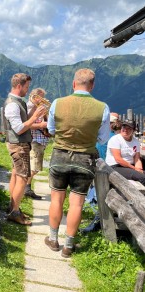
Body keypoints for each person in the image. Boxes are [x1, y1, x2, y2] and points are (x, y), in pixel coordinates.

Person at [45, 68, 110, 258]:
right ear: (92, 85)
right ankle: (68, 246)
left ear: (74, 84)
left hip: (59, 156)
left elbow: (50, 130)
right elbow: (103, 139)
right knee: (77, 204)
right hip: (85, 158)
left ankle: (53, 239)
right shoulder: (102, 107)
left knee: (57, 199)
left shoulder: (57, 103)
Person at [3, 73, 46, 226]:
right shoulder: (12, 104)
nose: (28, 90)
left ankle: (13, 206)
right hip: (19, 145)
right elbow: (19, 128)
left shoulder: (17, 102)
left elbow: (22, 120)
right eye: (27, 87)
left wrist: (34, 111)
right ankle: (14, 212)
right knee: (22, 178)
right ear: (19, 86)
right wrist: (35, 118)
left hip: (19, 144)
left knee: (16, 174)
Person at [24, 88, 50, 200]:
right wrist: (42, 125)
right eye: (42, 97)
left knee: (35, 166)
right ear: (36, 96)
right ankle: (26, 189)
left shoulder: (38, 106)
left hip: (40, 139)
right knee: (33, 166)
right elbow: (26, 124)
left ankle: (27, 187)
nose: (43, 99)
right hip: (35, 139)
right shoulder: (29, 107)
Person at [105, 119, 145, 184]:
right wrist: (134, 168)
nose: (125, 130)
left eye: (129, 128)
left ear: (133, 131)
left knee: (141, 173)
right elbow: (118, 159)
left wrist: (139, 168)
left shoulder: (136, 142)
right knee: (142, 177)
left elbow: (137, 158)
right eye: (124, 127)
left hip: (129, 166)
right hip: (115, 166)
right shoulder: (115, 139)